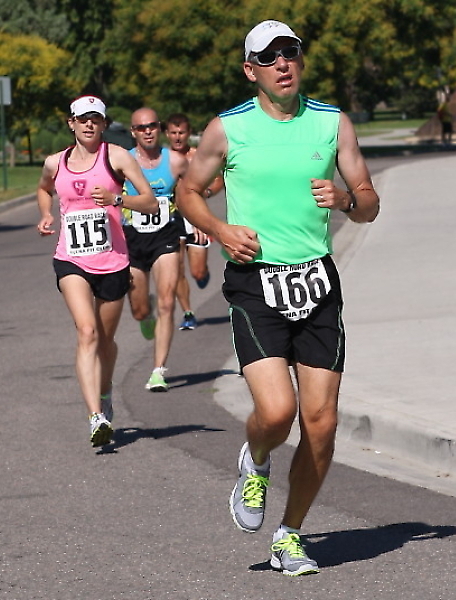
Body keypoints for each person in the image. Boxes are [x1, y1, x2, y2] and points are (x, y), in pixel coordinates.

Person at [178, 20, 380, 576]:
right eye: (268, 58)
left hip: (316, 282)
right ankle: (258, 458)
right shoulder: (227, 129)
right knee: (277, 412)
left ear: (301, 59)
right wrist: (221, 231)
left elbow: (369, 203)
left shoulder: (332, 123)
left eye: (290, 52)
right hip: (255, 281)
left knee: (322, 424)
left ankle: (289, 534)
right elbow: (188, 192)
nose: (282, 64)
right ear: (251, 70)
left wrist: (346, 199)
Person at [36, 95, 157, 447]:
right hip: (71, 259)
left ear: (104, 124)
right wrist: (46, 214)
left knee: (104, 340)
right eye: (82, 118)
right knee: (86, 332)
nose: (89, 124)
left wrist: (117, 199)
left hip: (112, 261)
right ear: (71, 123)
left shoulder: (116, 157)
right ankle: (95, 417)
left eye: (95, 119)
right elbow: (43, 189)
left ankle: (105, 392)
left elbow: (150, 202)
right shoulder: (55, 162)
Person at [122, 107, 188, 391]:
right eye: (141, 127)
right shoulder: (122, 161)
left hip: (165, 237)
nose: (147, 131)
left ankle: (158, 370)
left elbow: (192, 192)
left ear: (159, 128)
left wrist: (198, 222)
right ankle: (144, 315)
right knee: (139, 309)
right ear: (133, 132)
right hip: (132, 239)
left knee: (167, 302)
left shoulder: (176, 161)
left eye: (152, 125)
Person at [164, 113, 224, 330]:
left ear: (188, 133)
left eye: (181, 132)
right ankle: (188, 312)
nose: (177, 137)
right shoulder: (162, 159)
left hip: (196, 216)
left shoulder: (197, 156)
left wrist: (203, 193)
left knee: (197, 272)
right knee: (176, 268)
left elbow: (218, 180)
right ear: (167, 134)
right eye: (173, 133)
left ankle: (203, 274)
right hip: (172, 218)